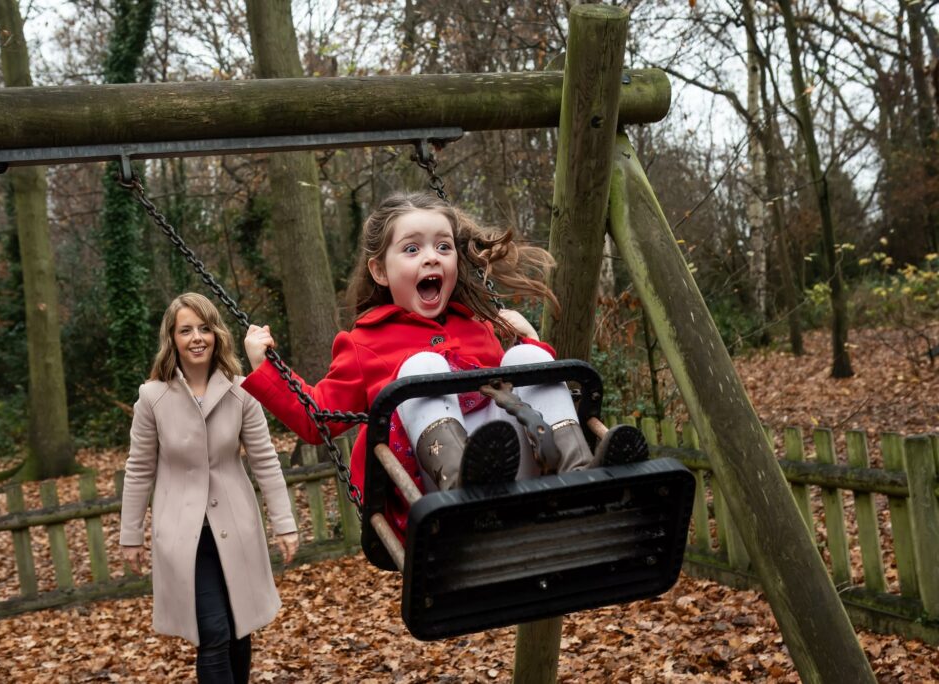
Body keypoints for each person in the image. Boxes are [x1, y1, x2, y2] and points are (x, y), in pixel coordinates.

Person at [242, 192, 646, 514]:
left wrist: (531, 341)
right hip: (436, 490)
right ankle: (465, 484)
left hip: (516, 469)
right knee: (423, 366)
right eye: (412, 249)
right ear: (380, 271)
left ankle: (580, 473)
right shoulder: (366, 343)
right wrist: (266, 368)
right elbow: (320, 419)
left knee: (523, 361)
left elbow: (521, 394)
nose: (431, 256)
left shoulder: (477, 326)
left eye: (443, 246)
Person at [119, 293, 299, 684]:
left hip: (236, 529)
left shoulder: (242, 391)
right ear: (173, 339)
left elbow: (265, 459)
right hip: (184, 538)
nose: (197, 337)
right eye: (186, 330)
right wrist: (130, 535)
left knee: (239, 628)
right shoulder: (152, 398)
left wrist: (284, 524)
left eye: (204, 328)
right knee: (213, 633)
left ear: (217, 334)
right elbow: (138, 469)